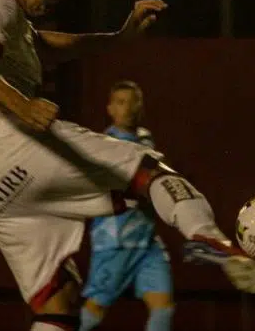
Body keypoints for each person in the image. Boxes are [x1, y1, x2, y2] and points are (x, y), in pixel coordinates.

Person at [0, 0, 255, 331]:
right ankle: (206, 237)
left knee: (58, 301)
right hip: (18, 147)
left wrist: (119, 37)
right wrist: (22, 106)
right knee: (148, 169)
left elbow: (44, 48)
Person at [80, 81, 173, 331]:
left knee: (163, 307)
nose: (128, 108)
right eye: (121, 102)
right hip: (115, 241)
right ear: (110, 108)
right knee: (94, 310)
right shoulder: (105, 142)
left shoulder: (146, 138)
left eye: (133, 101)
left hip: (148, 241)